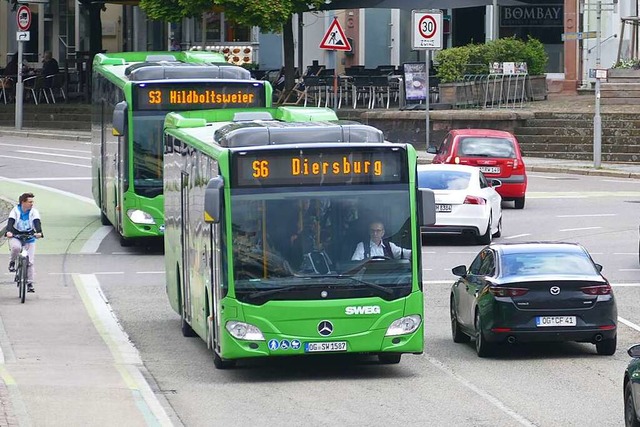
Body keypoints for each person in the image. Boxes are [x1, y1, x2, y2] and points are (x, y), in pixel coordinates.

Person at [5, 193, 43, 293]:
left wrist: (39, 232)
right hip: (16, 235)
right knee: (16, 248)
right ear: (23, 202)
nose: (32, 204)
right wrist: (8, 232)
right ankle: (12, 262)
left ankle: (29, 283)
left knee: (30, 261)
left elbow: (37, 222)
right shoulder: (15, 211)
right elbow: (10, 222)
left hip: (29, 237)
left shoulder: (34, 212)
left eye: (32, 202)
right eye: (30, 202)